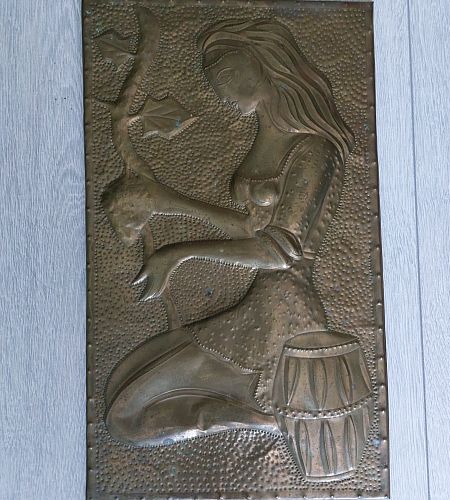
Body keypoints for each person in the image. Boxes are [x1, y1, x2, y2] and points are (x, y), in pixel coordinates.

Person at [105, 19, 356, 446]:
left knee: (127, 413)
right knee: (123, 395)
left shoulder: (315, 150)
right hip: (259, 305)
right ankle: (243, 416)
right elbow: (248, 227)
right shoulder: (269, 138)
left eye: (224, 74)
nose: (219, 90)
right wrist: (168, 201)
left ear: (264, 64)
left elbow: (278, 252)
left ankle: (260, 421)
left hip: (284, 314)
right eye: (211, 80)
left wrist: (179, 253)